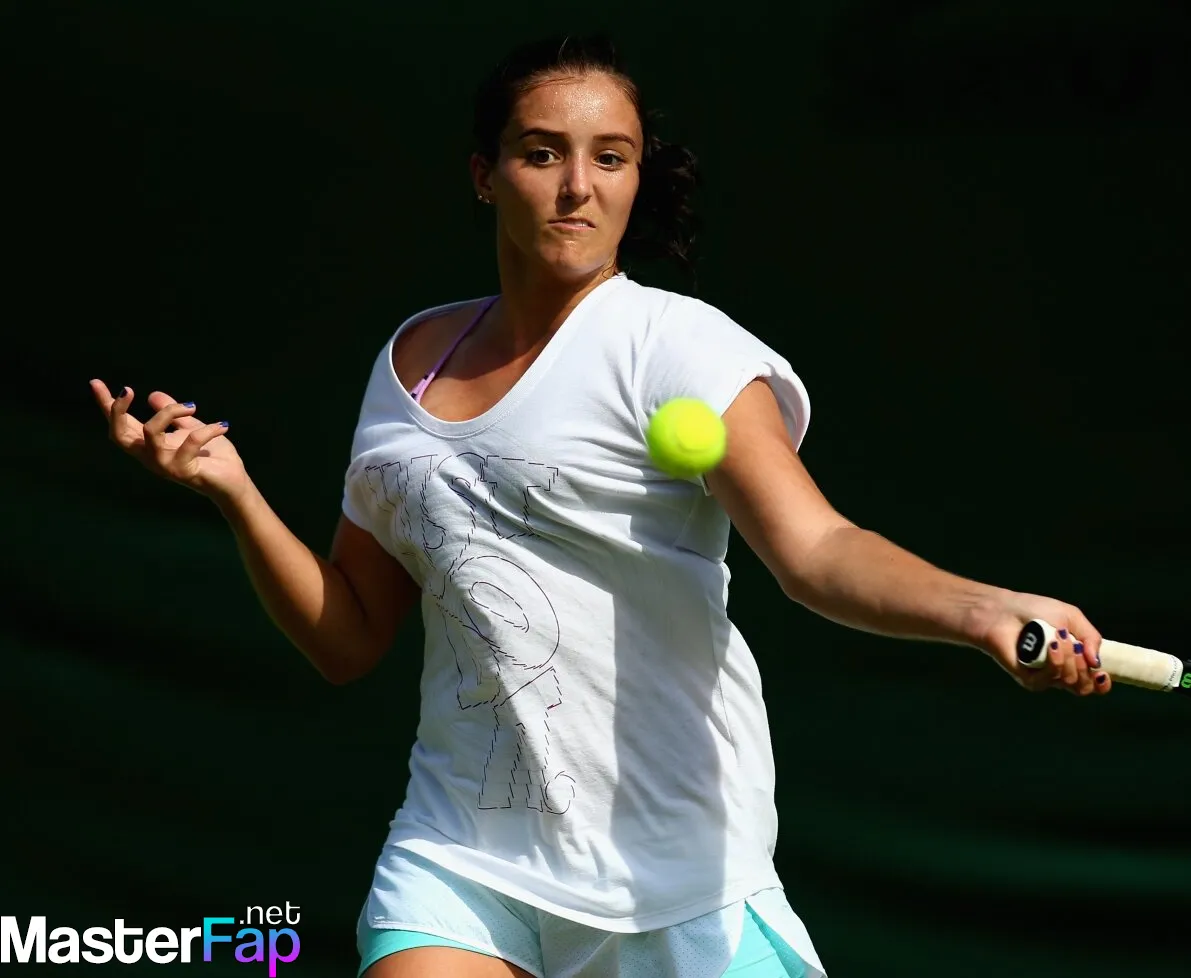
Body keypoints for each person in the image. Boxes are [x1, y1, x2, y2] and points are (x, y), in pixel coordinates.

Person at [88, 34, 1112, 978]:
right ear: (485, 174)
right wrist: (234, 493)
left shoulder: (680, 348)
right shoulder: (410, 362)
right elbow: (347, 637)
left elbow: (817, 550)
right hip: (461, 853)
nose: (577, 186)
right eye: (542, 153)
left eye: (610, 158)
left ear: (635, 180)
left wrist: (981, 608)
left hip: (677, 879)